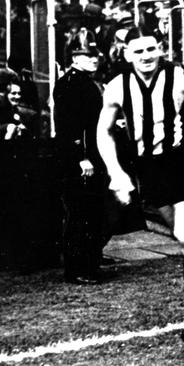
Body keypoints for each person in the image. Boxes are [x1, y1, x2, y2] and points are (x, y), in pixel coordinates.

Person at [95, 27, 184, 344]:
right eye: (139, 51)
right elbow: (104, 132)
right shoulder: (117, 88)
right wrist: (116, 172)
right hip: (150, 168)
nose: (146, 56)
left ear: (161, 49)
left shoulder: (180, 82)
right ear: (127, 54)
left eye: (152, 49)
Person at [53, 28, 109, 285]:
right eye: (87, 56)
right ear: (75, 58)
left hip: (91, 155)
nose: (93, 60)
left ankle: (89, 260)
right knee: (80, 213)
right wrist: (81, 157)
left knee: (92, 210)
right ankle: (78, 267)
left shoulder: (84, 81)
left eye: (94, 55)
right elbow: (69, 127)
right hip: (79, 158)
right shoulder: (70, 83)